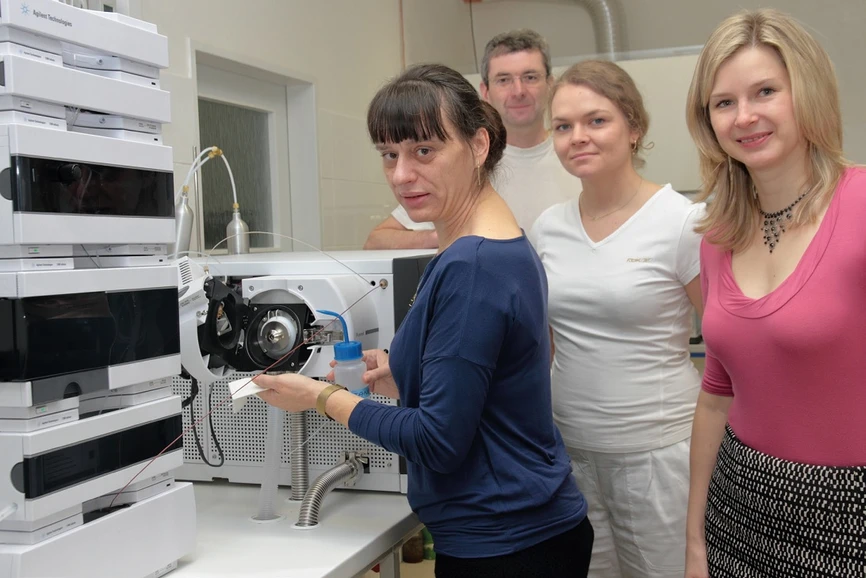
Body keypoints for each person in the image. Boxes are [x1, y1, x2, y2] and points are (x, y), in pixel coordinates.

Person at [253, 63, 594, 578]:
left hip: (506, 544)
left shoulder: (473, 265)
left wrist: (320, 398)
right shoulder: (495, 243)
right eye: (390, 154)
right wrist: (407, 374)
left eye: (424, 151)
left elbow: (437, 441)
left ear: (478, 147)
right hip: (520, 528)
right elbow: (499, 377)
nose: (401, 174)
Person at [683, 8, 866, 578]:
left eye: (765, 91)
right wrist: (695, 544)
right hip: (739, 505)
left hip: (848, 512)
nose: (746, 117)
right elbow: (716, 395)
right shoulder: (718, 235)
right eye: (724, 102)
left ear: (806, 92)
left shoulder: (861, 207)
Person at [528, 59, 705, 578]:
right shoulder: (549, 227)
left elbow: (726, 342)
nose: (577, 137)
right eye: (563, 126)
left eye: (596, 120)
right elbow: (550, 343)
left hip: (660, 454)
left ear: (635, 128)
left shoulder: (682, 222)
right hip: (572, 453)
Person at [363, 29, 575, 249]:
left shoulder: (578, 155)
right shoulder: (465, 162)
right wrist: (451, 234)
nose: (518, 91)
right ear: (485, 90)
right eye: (504, 80)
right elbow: (377, 241)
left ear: (550, 84)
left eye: (530, 77)